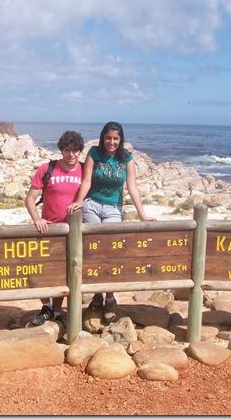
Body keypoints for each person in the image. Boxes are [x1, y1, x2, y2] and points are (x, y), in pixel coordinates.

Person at [68, 121, 154, 323]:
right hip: (92, 205)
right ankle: (97, 294)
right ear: (103, 138)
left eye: (116, 138)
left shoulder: (126, 158)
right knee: (94, 251)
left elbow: (132, 187)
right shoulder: (94, 153)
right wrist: (79, 202)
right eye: (108, 138)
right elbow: (86, 180)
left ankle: (110, 296)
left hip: (114, 209)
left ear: (120, 139)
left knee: (111, 252)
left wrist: (142, 215)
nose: (112, 142)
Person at [25, 130, 85, 326]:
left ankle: (57, 312)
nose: (71, 155)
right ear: (61, 150)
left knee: (66, 273)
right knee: (42, 271)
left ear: (80, 151)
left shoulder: (85, 171)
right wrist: (37, 219)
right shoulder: (47, 168)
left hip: (74, 232)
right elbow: (30, 199)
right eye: (67, 150)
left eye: (75, 151)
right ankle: (46, 306)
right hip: (49, 230)